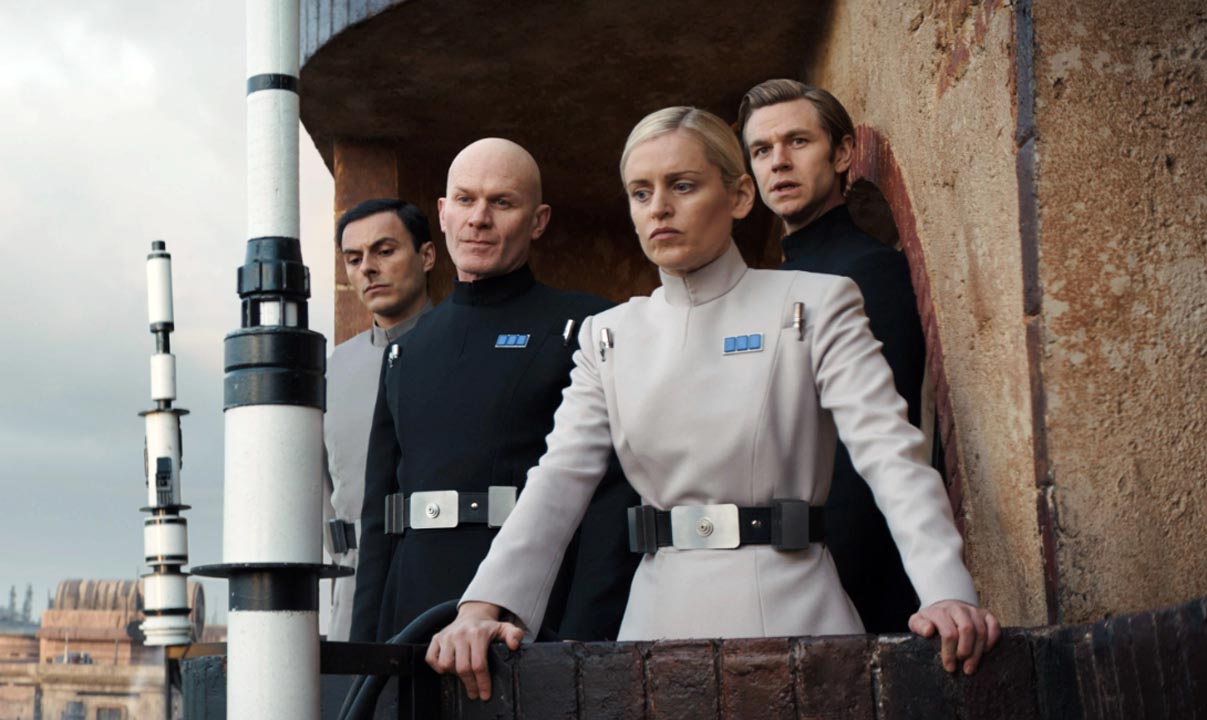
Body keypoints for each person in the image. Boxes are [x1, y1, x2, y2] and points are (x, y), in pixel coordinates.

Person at [428, 108, 1000, 701]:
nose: (659, 208)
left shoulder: (815, 302)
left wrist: (946, 592)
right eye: (641, 192)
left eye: (682, 185)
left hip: (797, 615)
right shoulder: (609, 334)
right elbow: (557, 479)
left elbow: (890, 454)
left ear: (740, 196)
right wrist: (481, 608)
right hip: (652, 626)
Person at [349, 138, 638, 645]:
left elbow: (613, 503)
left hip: (530, 617)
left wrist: (581, 642)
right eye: (465, 200)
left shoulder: (588, 325)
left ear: (538, 221)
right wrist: (365, 659)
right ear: (443, 213)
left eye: (501, 202)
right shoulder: (406, 350)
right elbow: (379, 521)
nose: (478, 218)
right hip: (411, 618)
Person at [737, 79, 926, 633]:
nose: (779, 162)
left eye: (797, 142)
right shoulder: (767, 284)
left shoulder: (871, 270)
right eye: (761, 150)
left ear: (842, 154)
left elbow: (872, 449)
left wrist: (834, 587)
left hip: (845, 587)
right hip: (774, 574)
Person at [322, 198, 435, 641]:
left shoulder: (465, 349)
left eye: (384, 251)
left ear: (426, 256)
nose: (368, 268)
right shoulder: (334, 369)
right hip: (352, 588)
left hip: (440, 583)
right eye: (354, 259)